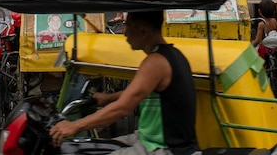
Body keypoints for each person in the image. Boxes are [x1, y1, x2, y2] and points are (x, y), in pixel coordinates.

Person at [49, 10, 199, 155]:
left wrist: (74, 126)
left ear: (143, 31)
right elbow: (138, 92)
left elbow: (122, 108)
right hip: (147, 137)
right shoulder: (171, 55)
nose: (125, 32)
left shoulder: (155, 62)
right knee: (94, 146)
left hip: (165, 148)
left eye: (128, 26)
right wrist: (107, 98)